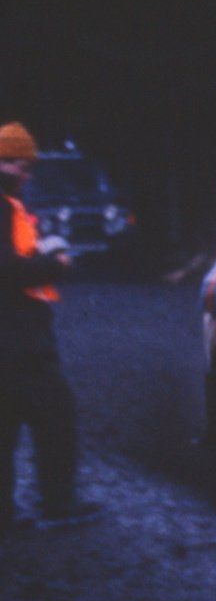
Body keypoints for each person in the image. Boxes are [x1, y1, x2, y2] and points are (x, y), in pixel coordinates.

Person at [1, 122, 102, 530]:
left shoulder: (11, 204)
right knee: (55, 417)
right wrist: (53, 263)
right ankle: (59, 505)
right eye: (23, 166)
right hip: (17, 336)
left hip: (16, 334)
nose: (28, 174)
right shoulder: (3, 206)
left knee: (6, 426)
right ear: (6, 161)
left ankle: (5, 517)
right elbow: (5, 268)